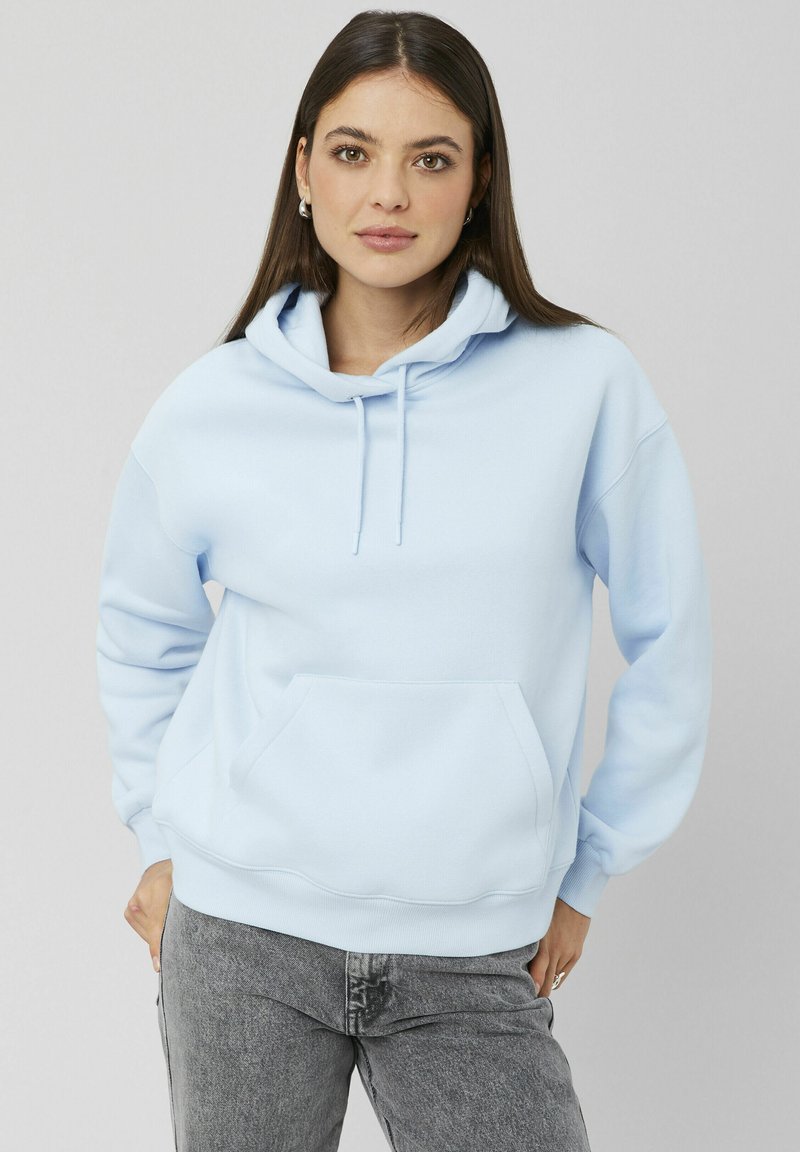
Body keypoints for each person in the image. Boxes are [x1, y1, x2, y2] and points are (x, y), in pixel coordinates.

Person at [95, 10, 712, 1150]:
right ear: (303, 171)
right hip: (240, 937)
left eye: (430, 159)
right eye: (352, 152)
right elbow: (142, 631)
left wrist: (588, 869)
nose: (387, 194)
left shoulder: (584, 387)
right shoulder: (212, 405)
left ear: (479, 182)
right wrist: (159, 835)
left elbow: (671, 643)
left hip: (473, 950)